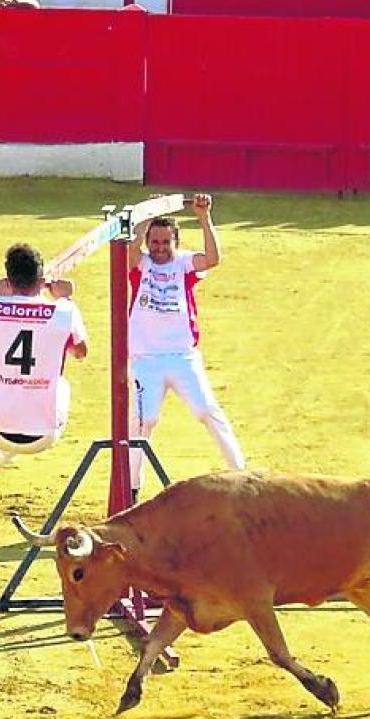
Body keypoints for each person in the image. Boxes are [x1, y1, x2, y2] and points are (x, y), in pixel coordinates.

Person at [126, 193, 245, 501]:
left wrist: (204, 218)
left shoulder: (183, 264)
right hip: (145, 359)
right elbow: (130, 249)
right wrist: (148, 215)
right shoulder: (140, 265)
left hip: (182, 357)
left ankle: (242, 474)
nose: (160, 248)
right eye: (155, 242)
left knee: (208, 410)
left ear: (176, 242)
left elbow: (213, 258)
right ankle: (130, 490)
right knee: (143, 420)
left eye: (166, 242)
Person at [0, 243, 88, 476]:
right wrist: (67, 298)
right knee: (59, 384)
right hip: (45, 435)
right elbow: (80, 352)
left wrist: (3, 302)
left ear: (8, 279)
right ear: (42, 282)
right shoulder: (65, 312)